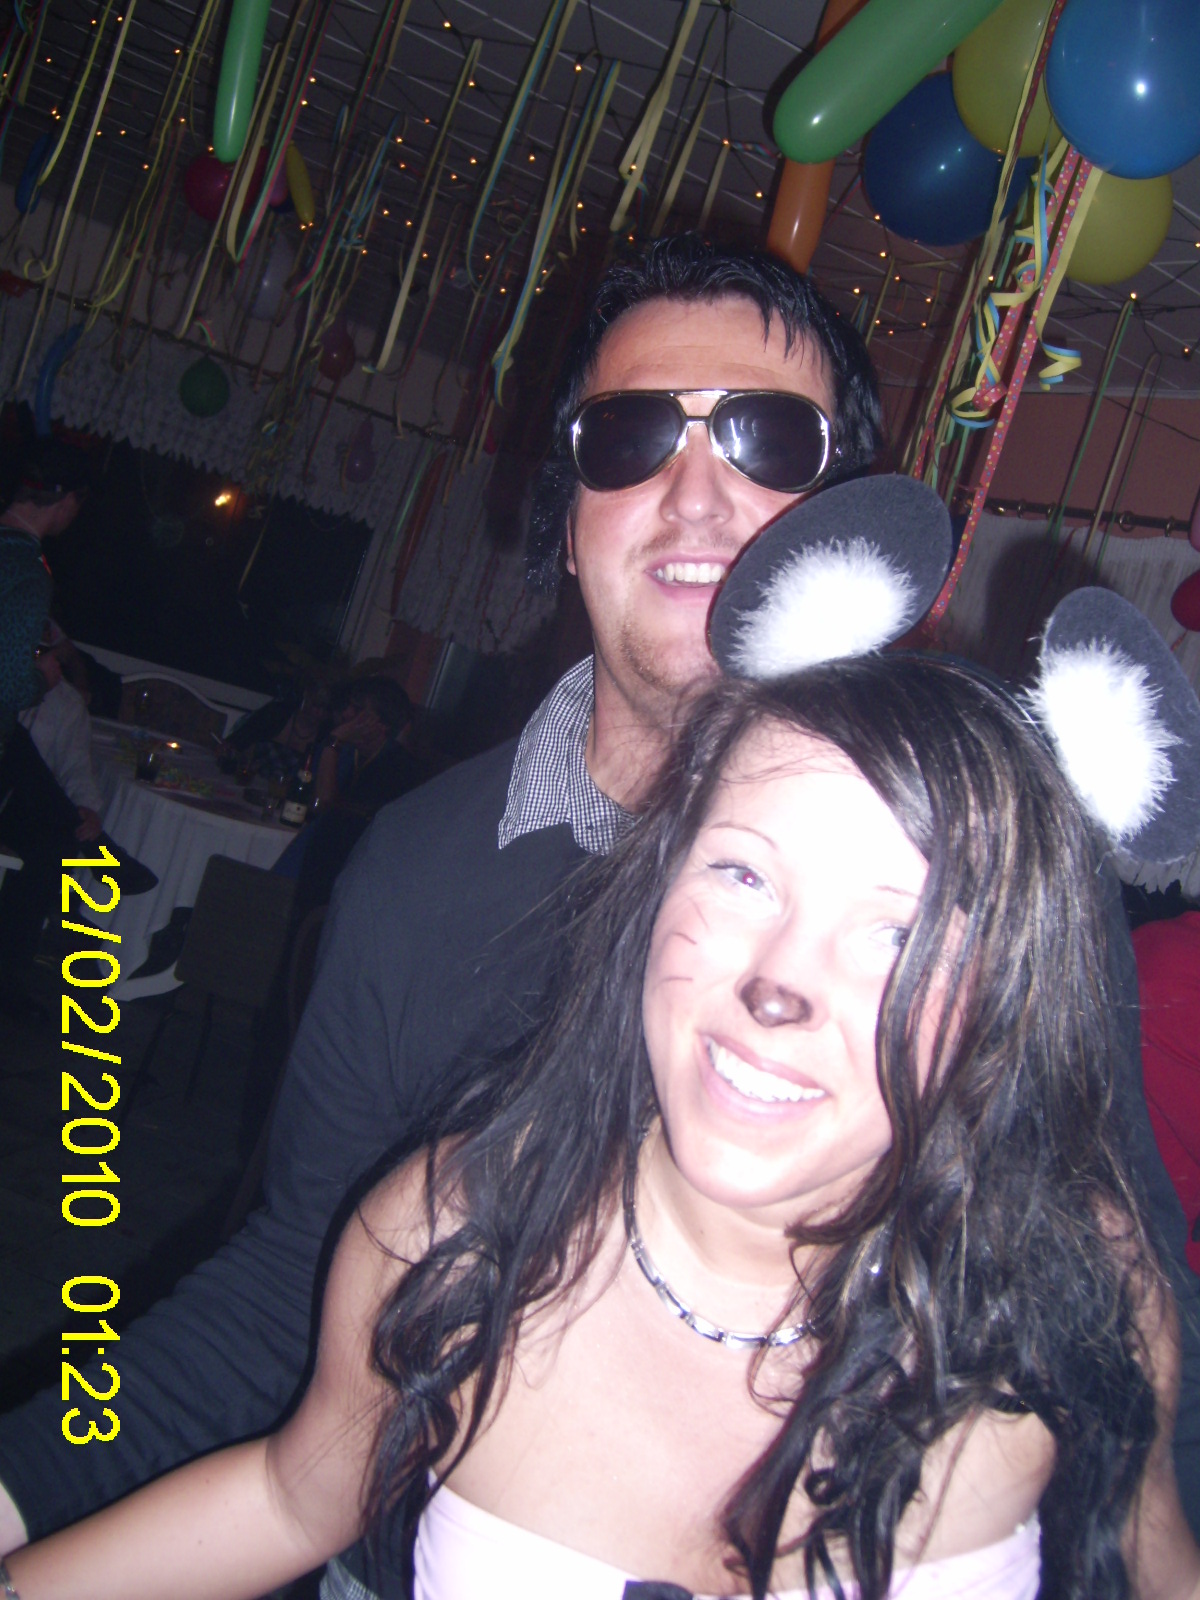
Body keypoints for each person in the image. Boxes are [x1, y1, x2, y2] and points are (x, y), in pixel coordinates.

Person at [0, 237, 1196, 1582]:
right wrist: (21, 1491)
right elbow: (300, 1285)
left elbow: (1130, 1341)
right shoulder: (420, 870)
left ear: (847, 526)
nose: (695, 489)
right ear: (568, 518)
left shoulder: (1009, 895)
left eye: (765, 438)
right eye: (629, 437)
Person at [5, 654, 1199, 1598]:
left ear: (1010, 995)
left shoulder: (1073, 1284)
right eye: (744, 875)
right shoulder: (451, 1236)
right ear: (657, 889)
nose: (779, 984)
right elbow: (287, 1495)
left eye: (900, 930)